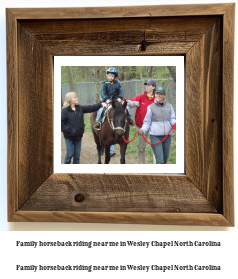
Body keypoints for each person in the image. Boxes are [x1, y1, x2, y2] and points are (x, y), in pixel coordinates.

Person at [61, 92, 107, 164]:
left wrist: (100, 104)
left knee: (77, 156)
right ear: (70, 100)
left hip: (78, 136)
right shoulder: (64, 111)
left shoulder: (80, 108)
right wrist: (71, 131)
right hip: (69, 137)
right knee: (69, 155)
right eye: (74, 97)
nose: (77, 98)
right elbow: (61, 125)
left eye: (76, 97)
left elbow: (91, 108)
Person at [138, 87, 176, 164]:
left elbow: (172, 119)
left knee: (165, 160)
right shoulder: (151, 107)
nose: (158, 95)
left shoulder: (169, 106)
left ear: (164, 95)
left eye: (160, 94)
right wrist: (142, 129)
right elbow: (147, 122)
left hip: (167, 136)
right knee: (160, 160)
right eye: (157, 93)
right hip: (155, 136)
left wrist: (175, 123)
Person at [124, 79, 156, 164]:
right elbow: (132, 102)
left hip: (154, 127)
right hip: (142, 127)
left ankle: (157, 166)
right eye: (146, 85)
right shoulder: (141, 97)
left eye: (149, 85)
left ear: (153, 87)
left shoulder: (157, 99)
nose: (147, 87)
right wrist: (126, 101)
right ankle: (141, 166)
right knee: (141, 147)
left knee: (156, 147)